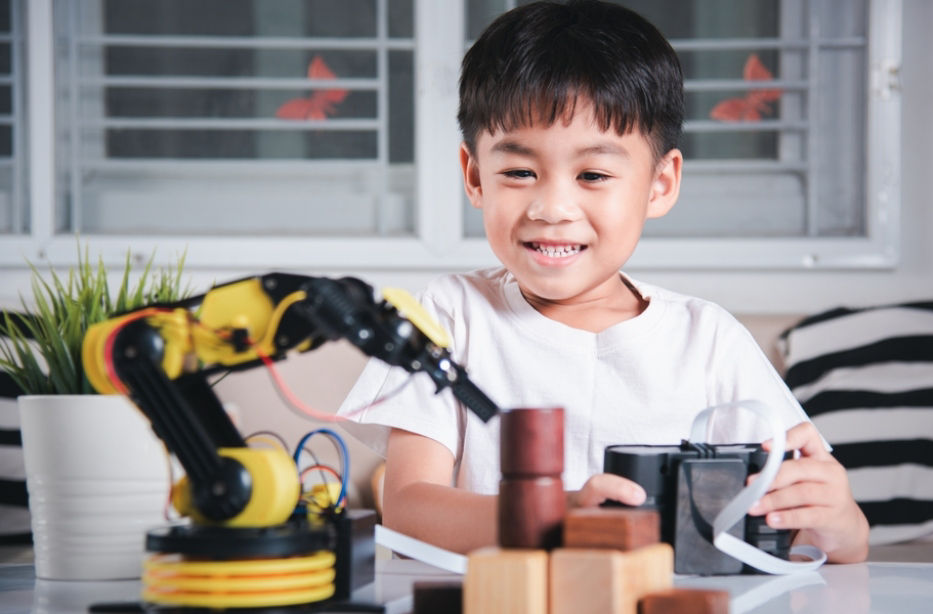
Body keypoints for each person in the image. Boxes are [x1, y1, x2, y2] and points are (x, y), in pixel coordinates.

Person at [339, 0, 868, 563]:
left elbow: (832, 539)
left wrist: (841, 526)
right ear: (475, 176)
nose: (552, 207)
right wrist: (554, 515)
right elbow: (408, 508)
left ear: (660, 184)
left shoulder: (707, 339)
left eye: (593, 175)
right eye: (519, 172)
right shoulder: (451, 314)